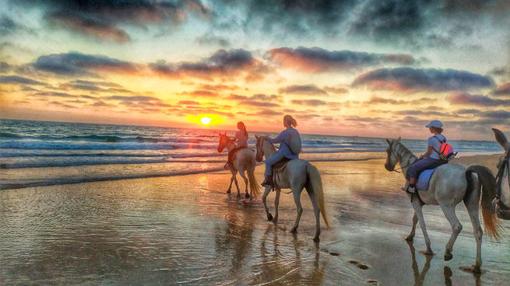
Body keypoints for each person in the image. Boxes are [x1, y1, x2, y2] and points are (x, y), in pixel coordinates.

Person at [405, 120, 449, 194]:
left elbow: (429, 152)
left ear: (433, 128)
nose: (429, 129)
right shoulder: (443, 138)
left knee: (413, 168)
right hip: (441, 160)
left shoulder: (431, 139)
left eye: (430, 127)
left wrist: (422, 156)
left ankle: (412, 187)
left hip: (433, 159)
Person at [261, 115, 302, 187]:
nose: (283, 122)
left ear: (286, 122)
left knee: (268, 162)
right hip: (295, 156)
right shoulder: (296, 131)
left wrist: (267, 138)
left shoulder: (285, 132)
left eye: (284, 121)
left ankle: (268, 181)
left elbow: (274, 141)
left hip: (284, 154)